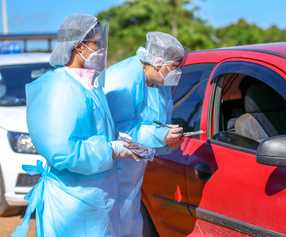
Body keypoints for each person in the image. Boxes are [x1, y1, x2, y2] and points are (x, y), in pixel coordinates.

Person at [13, 14, 137, 237]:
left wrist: (120, 138)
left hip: (96, 199)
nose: (102, 50)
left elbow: (97, 129)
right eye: (97, 44)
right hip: (72, 204)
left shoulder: (90, 84)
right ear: (79, 46)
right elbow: (63, 151)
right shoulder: (60, 87)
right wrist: (110, 149)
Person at [104, 31, 185, 237]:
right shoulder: (121, 80)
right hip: (113, 168)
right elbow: (117, 129)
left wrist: (167, 138)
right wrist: (160, 135)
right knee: (112, 222)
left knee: (129, 221)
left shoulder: (159, 82)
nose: (177, 73)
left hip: (134, 169)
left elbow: (157, 119)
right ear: (158, 62)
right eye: (175, 67)